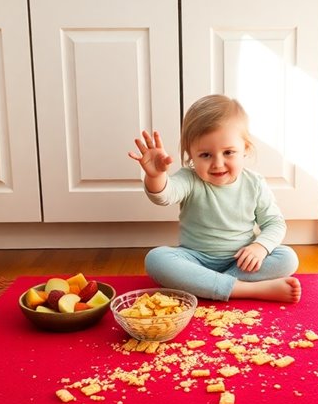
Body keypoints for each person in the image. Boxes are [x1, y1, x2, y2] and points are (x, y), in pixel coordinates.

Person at [128, 94, 302, 304]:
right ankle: (248, 290)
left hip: (241, 261)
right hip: (194, 260)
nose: (218, 164)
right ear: (190, 155)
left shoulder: (254, 183)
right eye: (205, 155)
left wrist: (260, 247)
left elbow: (274, 223)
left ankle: (205, 285)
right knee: (156, 259)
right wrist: (156, 176)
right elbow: (164, 196)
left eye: (228, 152)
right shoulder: (189, 179)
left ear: (245, 149)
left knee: (287, 257)